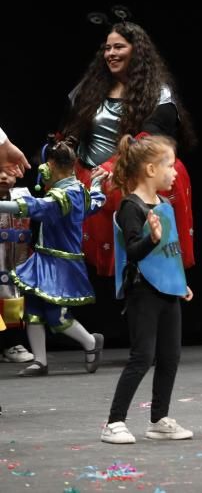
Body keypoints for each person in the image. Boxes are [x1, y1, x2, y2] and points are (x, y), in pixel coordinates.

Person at [62, 16, 195, 278]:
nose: (111, 53)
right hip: (91, 183)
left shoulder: (158, 94)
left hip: (130, 184)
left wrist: (114, 169)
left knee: (135, 265)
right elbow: (70, 132)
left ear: (137, 50)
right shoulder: (88, 90)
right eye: (108, 48)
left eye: (119, 47)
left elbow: (154, 141)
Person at [101, 135, 195, 444]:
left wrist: (179, 283)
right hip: (143, 291)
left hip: (167, 291)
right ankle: (114, 422)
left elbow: (171, 250)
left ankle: (159, 419)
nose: (175, 172)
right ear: (151, 169)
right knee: (142, 356)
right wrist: (151, 238)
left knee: (170, 356)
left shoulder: (164, 204)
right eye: (170, 165)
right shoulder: (132, 206)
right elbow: (133, 251)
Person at [0, 137, 106, 376]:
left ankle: (91, 342)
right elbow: (96, 202)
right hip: (46, 258)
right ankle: (40, 361)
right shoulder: (75, 190)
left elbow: (36, 207)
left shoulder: (64, 196)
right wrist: (97, 184)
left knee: (57, 315)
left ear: (53, 166)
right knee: (33, 309)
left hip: (61, 263)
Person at [0, 169, 34, 363]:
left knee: (14, 302)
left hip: (16, 261)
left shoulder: (22, 196)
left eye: (9, 173)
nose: (4, 177)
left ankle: (11, 344)